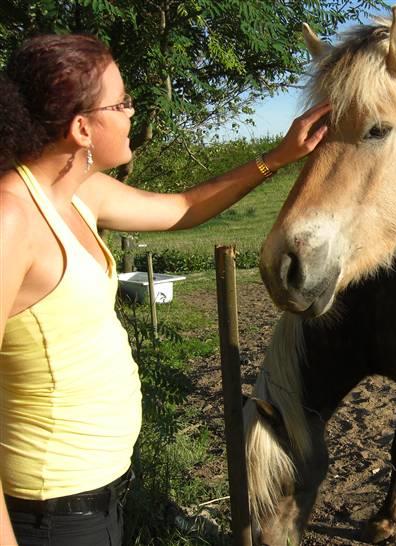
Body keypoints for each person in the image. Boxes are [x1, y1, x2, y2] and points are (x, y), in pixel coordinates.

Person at [0, 33, 330, 546]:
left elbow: (181, 207)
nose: (133, 112)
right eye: (121, 102)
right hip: (48, 512)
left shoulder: (76, 191)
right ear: (81, 128)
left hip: (99, 494)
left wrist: (279, 157)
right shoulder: (10, 219)